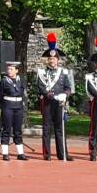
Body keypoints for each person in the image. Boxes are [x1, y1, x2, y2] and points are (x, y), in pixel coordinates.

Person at [35, 33, 74, 161]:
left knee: (60, 129)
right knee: (46, 128)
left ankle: (62, 153)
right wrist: (48, 94)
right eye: (50, 59)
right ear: (48, 60)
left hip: (60, 104)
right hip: (47, 103)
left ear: (58, 60)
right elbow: (40, 87)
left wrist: (65, 95)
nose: (52, 61)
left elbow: (68, 88)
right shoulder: (41, 72)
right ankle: (47, 153)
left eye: (54, 59)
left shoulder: (64, 72)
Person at [0, 61, 28, 161]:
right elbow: (0, 95)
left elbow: (22, 93)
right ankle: (5, 153)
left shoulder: (21, 80)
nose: (9, 71)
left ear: (16, 70)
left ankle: (20, 153)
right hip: (8, 106)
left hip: (18, 106)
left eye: (11, 69)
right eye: (8, 69)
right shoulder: (4, 81)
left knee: (18, 130)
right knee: (6, 129)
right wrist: (4, 105)